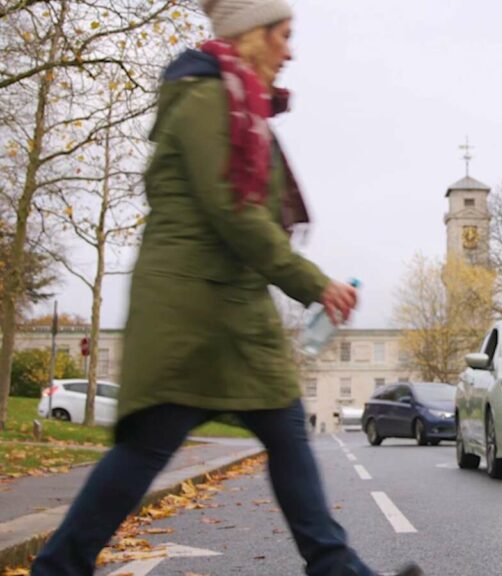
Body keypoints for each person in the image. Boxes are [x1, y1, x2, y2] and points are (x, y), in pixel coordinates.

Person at [31, 2, 422, 575]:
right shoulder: (205, 99)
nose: (289, 51)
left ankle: (340, 570)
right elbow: (235, 212)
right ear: (248, 34)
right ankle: (58, 568)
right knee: (145, 450)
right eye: (282, 36)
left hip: (234, 311)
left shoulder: (238, 105)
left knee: (286, 434)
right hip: (189, 312)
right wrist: (314, 284)